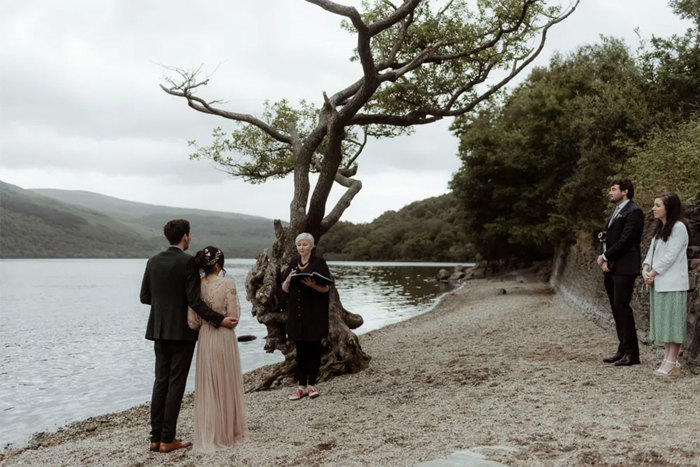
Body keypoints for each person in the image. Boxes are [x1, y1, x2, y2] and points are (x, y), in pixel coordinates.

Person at [140, 219, 237, 454]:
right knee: (176, 383)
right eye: (189, 234)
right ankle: (167, 439)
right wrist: (219, 319)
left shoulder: (153, 261)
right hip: (182, 331)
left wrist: (165, 305)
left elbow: (145, 297)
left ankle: (155, 439)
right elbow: (194, 301)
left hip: (159, 330)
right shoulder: (188, 263)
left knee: (160, 380)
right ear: (185, 237)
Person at [187, 245, 247, 451]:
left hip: (205, 337)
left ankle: (211, 430)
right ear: (219, 264)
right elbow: (234, 316)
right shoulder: (227, 283)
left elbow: (192, 322)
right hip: (224, 336)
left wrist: (206, 324)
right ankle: (229, 432)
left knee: (210, 385)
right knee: (225, 382)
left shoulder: (197, 286)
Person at [597, 178, 645, 366]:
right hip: (612, 265)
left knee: (623, 307)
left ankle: (633, 353)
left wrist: (606, 256)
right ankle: (623, 348)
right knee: (616, 308)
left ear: (625, 192)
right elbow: (606, 239)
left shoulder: (634, 212)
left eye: (613, 189)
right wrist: (605, 258)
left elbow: (626, 241)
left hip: (626, 266)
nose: (610, 192)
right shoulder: (614, 213)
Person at [642, 193, 689, 377]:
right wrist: (646, 268)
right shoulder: (660, 229)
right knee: (665, 323)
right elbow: (651, 253)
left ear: (668, 208)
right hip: (660, 283)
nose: (653, 208)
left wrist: (653, 272)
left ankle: (672, 360)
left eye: (657, 205)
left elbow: (671, 255)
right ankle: (669, 359)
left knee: (673, 323)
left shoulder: (679, 228)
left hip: (673, 283)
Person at [281, 232, 332, 400]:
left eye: (304, 244)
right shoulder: (293, 263)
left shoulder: (319, 263)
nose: (301, 247)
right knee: (300, 350)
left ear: (312, 246)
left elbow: (326, 288)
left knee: (314, 349)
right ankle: (300, 386)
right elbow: (284, 289)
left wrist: (314, 285)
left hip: (314, 312)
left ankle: (312, 385)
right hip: (297, 313)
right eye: (299, 245)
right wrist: (288, 279)